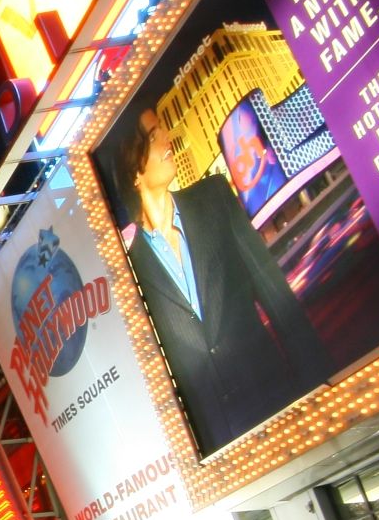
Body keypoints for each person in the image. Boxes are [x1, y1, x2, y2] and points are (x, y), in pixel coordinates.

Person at [115, 108, 330, 451]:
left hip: (278, 398)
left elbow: (273, 290)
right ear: (134, 170)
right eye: (154, 136)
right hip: (222, 441)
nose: (167, 138)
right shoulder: (131, 266)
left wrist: (321, 381)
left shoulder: (214, 198)